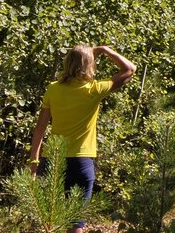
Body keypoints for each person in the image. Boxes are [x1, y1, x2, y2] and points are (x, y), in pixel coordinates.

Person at [28, 45, 137, 233]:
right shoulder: (93, 90)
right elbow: (130, 69)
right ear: (90, 65)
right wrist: (105, 50)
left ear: (67, 63)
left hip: (52, 159)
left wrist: (34, 161)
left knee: (49, 221)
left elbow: (40, 129)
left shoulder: (53, 89)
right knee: (75, 222)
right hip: (80, 162)